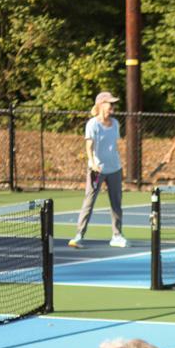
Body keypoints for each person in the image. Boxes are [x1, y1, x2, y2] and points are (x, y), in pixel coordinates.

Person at [68, 91, 129, 249]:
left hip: (114, 169)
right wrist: (93, 163)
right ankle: (79, 236)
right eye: (110, 103)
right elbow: (89, 147)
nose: (113, 106)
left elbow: (114, 146)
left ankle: (117, 236)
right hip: (96, 170)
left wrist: (119, 166)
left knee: (116, 203)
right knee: (89, 201)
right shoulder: (92, 124)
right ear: (101, 105)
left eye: (113, 103)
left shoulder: (115, 123)